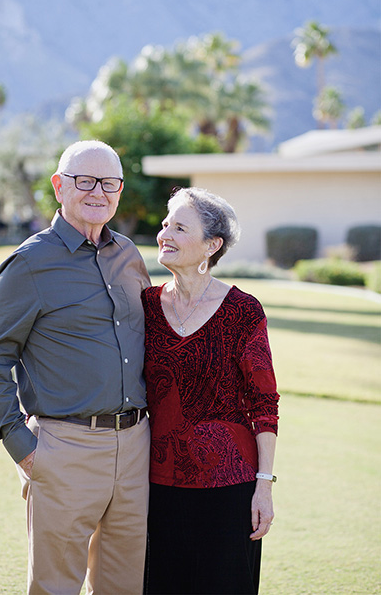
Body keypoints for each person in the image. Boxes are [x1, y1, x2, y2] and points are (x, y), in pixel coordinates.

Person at [0, 140, 152, 594]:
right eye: (84, 181)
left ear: (119, 189)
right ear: (59, 186)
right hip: (65, 447)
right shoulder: (29, 264)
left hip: (136, 448)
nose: (98, 191)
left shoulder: (129, 256)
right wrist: (21, 444)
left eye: (109, 182)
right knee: (55, 587)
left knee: (126, 586)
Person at [142, 187, 279, 594]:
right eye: (166, 224)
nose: (165, 233)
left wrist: (264, 486)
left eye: (180, 227)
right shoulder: (145, 306)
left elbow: (264, 403)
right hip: (158, 486)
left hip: (230, 487)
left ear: (211, 245)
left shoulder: (243, 310)